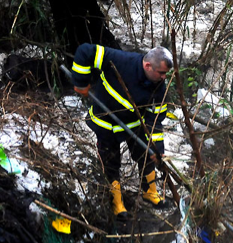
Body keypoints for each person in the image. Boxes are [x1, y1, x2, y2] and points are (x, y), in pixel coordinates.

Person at [71, 43, 174, 218]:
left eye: (166, 74)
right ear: (148, 66)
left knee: (145, 154)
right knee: (111, 161)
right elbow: (84, 51)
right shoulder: (119, 60)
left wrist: (157, 149)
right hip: (106, 123)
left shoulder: (159, 86)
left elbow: (155, 120)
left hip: (134, 123)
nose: (164, 77)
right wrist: (81, 82)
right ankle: (117, 202)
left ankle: (150, 191)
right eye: (161, 73)